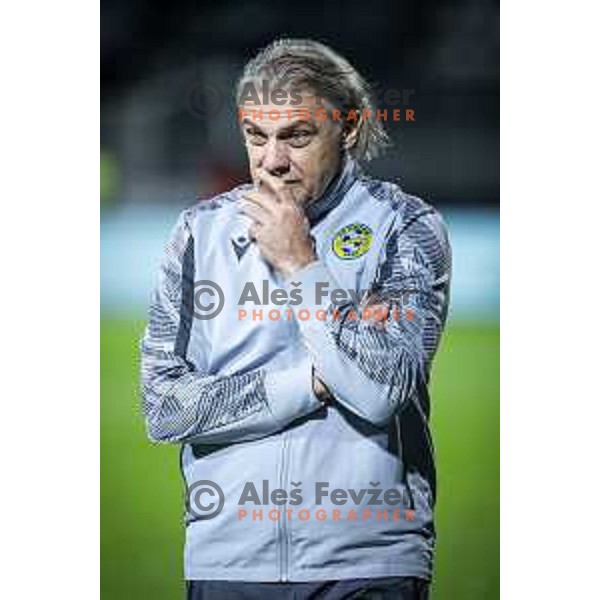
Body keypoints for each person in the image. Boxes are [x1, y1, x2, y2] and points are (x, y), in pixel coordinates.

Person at [140, 38, 451, 600]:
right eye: (256, 137)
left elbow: (378, 390)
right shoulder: (198, 234)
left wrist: (301, 264)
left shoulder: (405, 227)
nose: (273, 161)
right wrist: (307, 383)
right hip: (230, 562)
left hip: (368, 562)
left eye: (296, 137)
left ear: (348, 129)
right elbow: (163, 409)